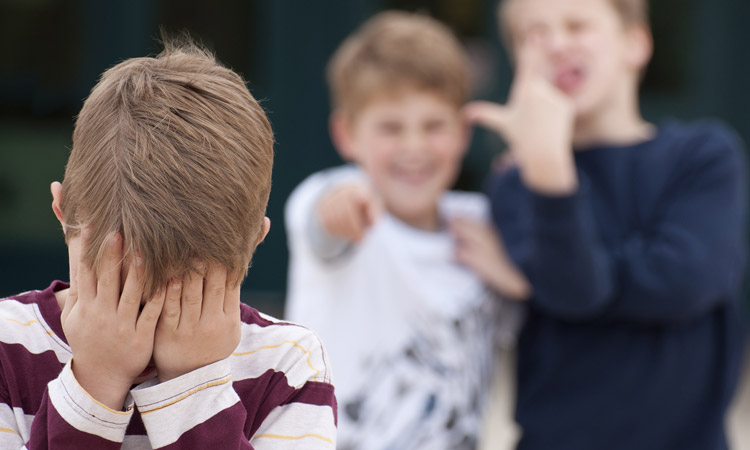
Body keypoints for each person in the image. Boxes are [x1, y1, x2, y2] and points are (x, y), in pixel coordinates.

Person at [0, 41, 337, 449]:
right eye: (121, 286)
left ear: (253, 244)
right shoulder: (8, 347)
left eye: (181, 293)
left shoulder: (287, 366)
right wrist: (94, 381)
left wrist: (193, 386)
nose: (139, 331)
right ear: (62, 214)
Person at [463, 0, 748, 449]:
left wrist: (538, 281)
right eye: (533, 35)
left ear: (635, 43)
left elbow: (686, 280)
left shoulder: (703, 157)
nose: (556, 45)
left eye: (577, 25)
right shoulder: (518, 182)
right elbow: (575, 290)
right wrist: (549, 167)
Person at [284, 11, 529, 450]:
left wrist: (513, 274)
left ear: (462, 133)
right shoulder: (336, 196)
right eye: (391, 127)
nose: (413, 147)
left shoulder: (483, 225)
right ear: (346, 134)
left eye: (433, 126)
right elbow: (321, 221)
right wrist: (340, 207)